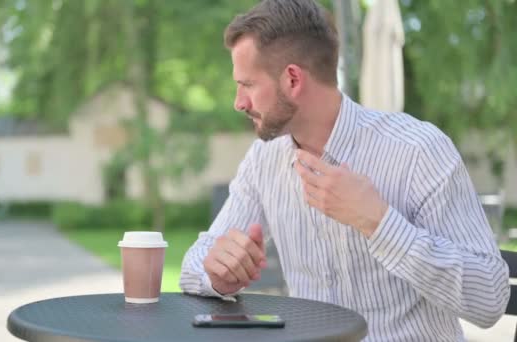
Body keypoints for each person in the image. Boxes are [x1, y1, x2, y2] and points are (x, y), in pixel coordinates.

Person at [179, 0, 510, 340]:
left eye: (247, 84)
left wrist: (378, 223)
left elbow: (490, 300)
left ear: (293, 79)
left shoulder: (418, 150)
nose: (238, 102)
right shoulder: (264, 159)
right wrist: (216, 273)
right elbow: (194, 264)